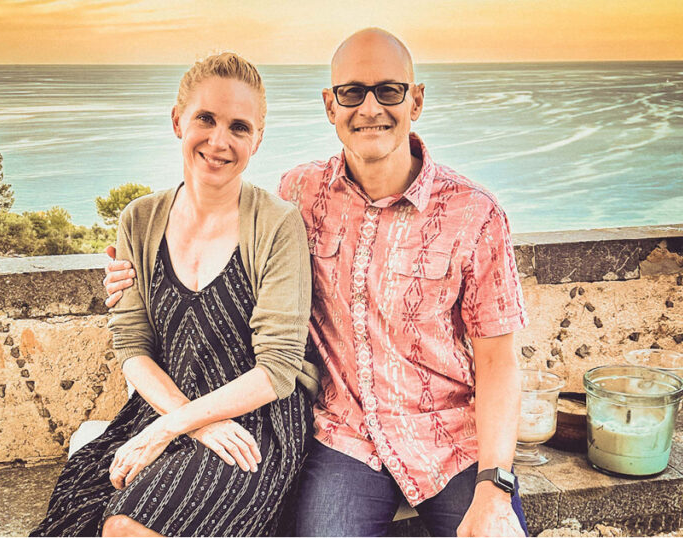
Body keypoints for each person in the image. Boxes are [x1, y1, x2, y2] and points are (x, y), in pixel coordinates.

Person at [104, 29, 528, 537]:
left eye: (389, 91)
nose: (370, 107)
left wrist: (495, 487)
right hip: (344, 439)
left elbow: (499, 361)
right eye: (352, 93)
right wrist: (131, 272)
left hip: (448, 441)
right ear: (331, 106)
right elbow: (217, 229)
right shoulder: (298, 195)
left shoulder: (475, 215)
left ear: (415, 99)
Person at [32, 52, 319, 537]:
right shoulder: (138, 221)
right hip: (164, 404)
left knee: (127, 525)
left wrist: (171, 429)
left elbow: (277, 370)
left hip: (252, 425)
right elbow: (132, 347)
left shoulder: (277, 224)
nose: (219, 140)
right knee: (78, 511)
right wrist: (185, 421)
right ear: (177, 121)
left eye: (239, 127)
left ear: (258, 139)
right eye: (205, 118)